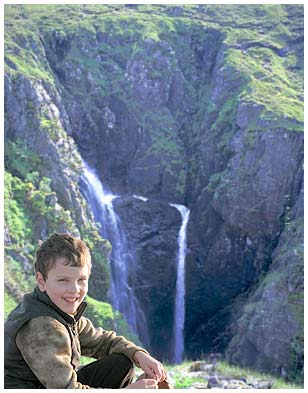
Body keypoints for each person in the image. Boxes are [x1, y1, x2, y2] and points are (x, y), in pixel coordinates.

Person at [4, 233, 169, 389]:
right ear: (41, 281)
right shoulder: (42, 326)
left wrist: (138, 355)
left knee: (121, 363)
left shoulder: (59, 310)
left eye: (81, 280)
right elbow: (65, 389)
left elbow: (103, 342)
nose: (74, 289)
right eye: (63, 280)